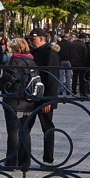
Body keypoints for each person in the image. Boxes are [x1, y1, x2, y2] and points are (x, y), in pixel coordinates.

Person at [0, 38, 40, 171]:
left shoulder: (15, 61)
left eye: (13, 50)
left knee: (13, 132)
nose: (12, 53)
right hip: (29, 101)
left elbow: (9, 79)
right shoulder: (32, 61)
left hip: (14, 101)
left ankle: (11, 162)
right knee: (25, 132)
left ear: (18, 50)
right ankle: (25, 162)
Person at [28, 28, 61, 166]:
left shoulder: (50, 53)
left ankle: (48, 159)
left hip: (44, 98)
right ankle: (22, 158)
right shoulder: (33, 52)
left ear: (42, 38)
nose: (31, 42)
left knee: (47, 127)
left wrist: (49, 100)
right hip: (32, 95)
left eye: (33, 39)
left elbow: (52, 77)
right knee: (25, 127)